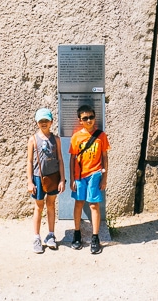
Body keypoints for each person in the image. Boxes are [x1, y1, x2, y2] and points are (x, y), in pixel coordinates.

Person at [69, 104, 110, 254]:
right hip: (80, 176)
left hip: (95, 174)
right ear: (80, 120)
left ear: (94, 118)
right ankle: (77, 233)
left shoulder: (101, 136)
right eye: (85, 118)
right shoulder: (76, 137)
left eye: (91, 117)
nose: (89, 120)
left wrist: (105, 177)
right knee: (79, 203)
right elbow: (72, 159)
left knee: (94, 205)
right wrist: (72, 178)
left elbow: (105, 157)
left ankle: (95, 237)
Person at [27, 107, 66, 254]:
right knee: (39, 207)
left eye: (46, 120)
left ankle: (51, 235)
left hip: (53, 177)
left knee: (51, 205)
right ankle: (36, 237)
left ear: (51, 122)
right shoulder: (33, 140)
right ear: (37, 122)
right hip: (38, 178)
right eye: (41, 121)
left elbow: (60, 160)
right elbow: (29, 162)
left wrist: (62, 179)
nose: (43, 123)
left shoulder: (56, 140)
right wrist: (30, 181)